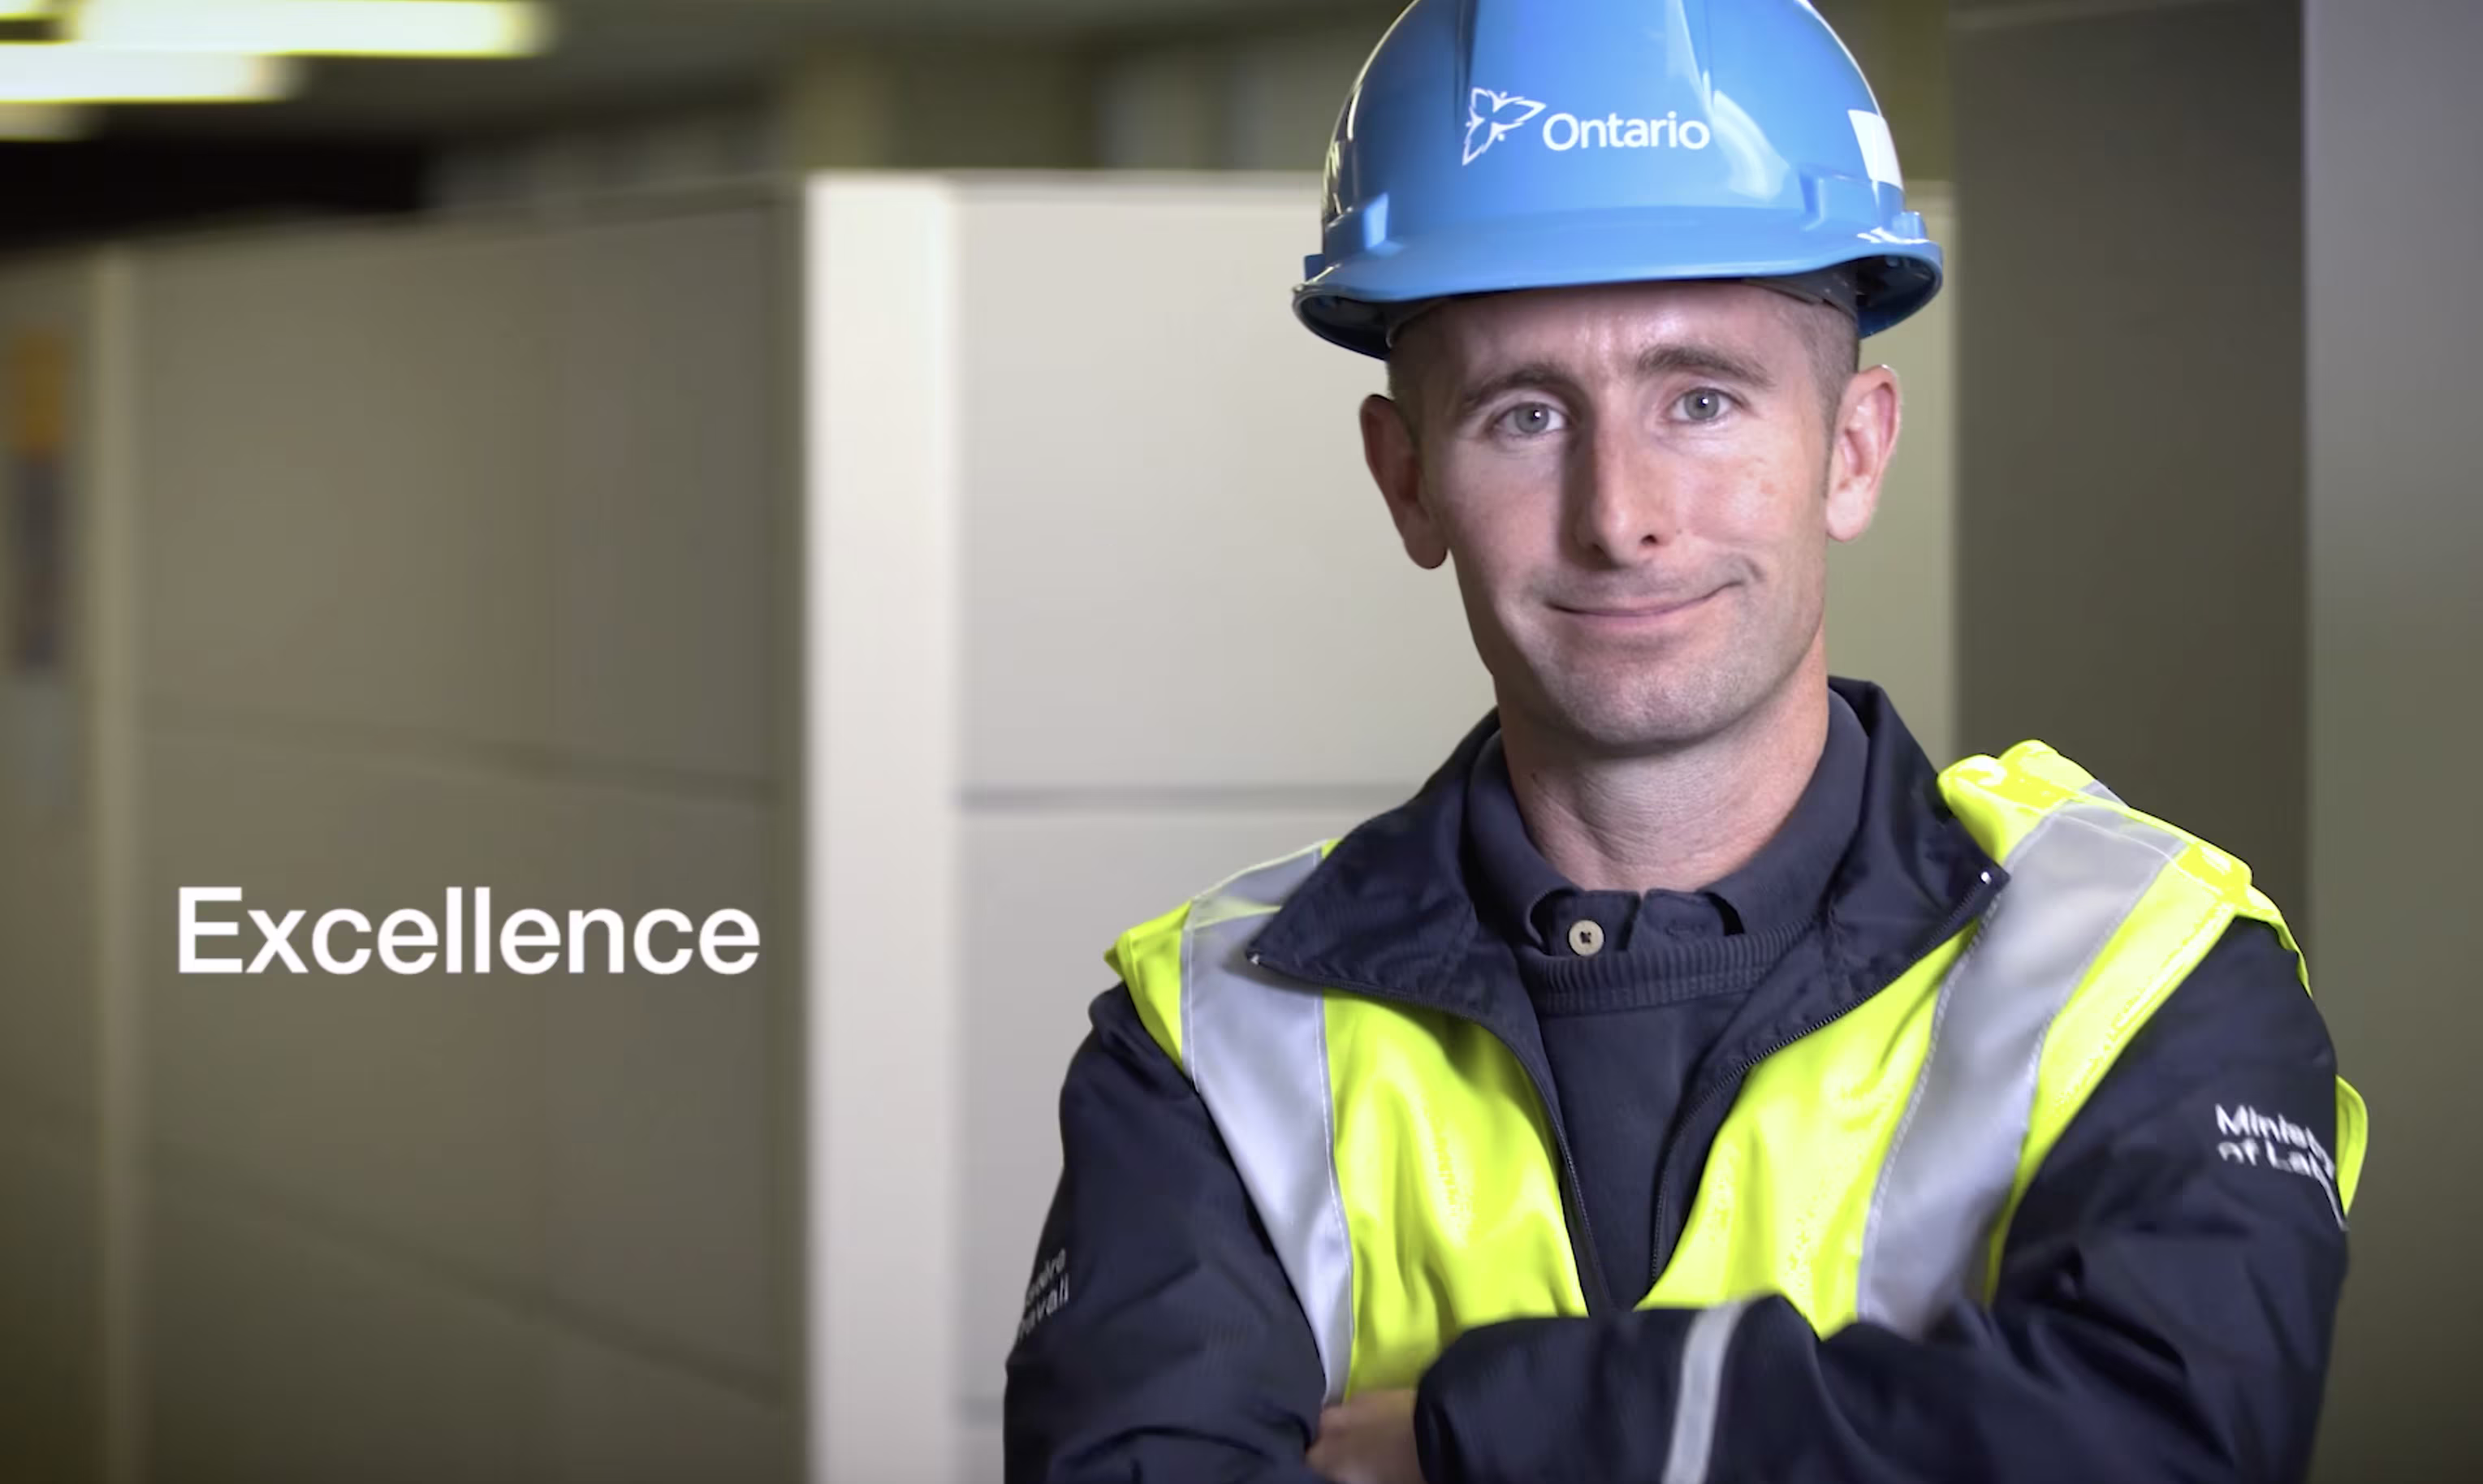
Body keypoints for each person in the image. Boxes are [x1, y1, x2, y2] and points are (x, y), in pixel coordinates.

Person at [1003, 2, 2367, 1480]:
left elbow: (2162, 1448)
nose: (1620, 513)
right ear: (1407, 484)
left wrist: (1490, 1438)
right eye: (1525, 416)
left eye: (1701, 400)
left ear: (1850, 450)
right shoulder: (1209, 1032)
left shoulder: (2139, 971)